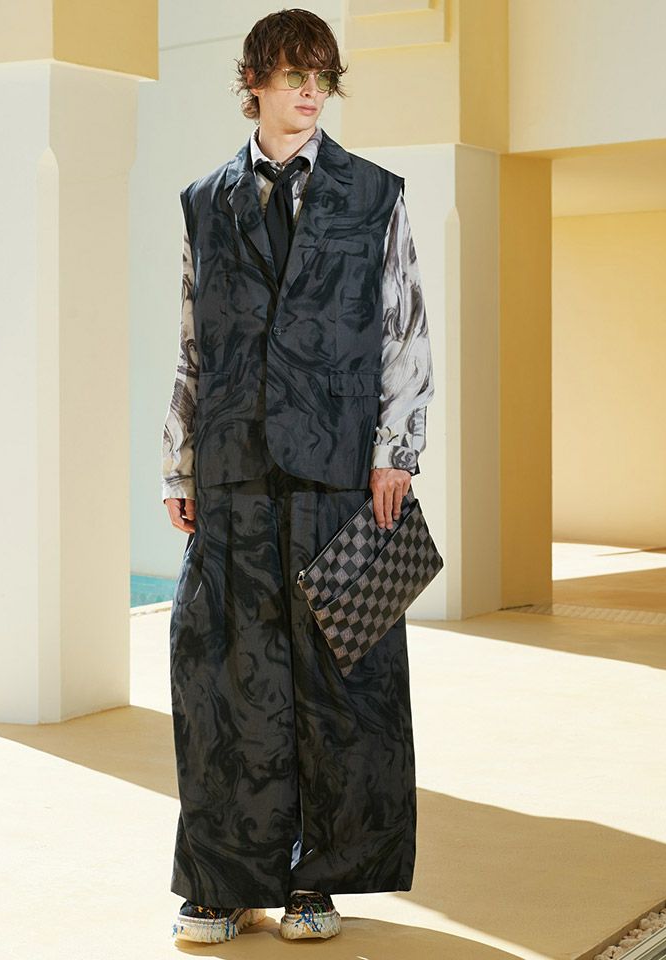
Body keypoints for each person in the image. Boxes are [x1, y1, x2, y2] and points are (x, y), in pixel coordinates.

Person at [161, 7, 434, 945]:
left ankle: (317, 881)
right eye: (293, 76)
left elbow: (404, 327)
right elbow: (192, 343)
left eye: (323, 76)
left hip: (339, 474)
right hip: (232, 470)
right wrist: (178, 461)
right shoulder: (204, 201)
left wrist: (397, 451)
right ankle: (222, 881)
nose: (312, 92)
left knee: (338, 685)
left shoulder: (375, 193)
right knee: (222, 679)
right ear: (256, 83)